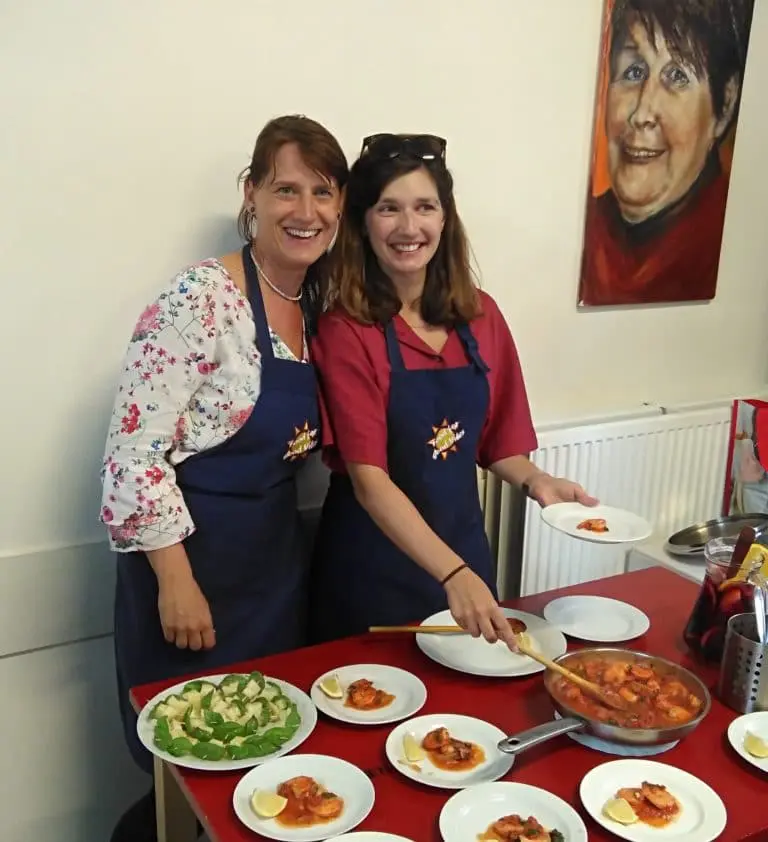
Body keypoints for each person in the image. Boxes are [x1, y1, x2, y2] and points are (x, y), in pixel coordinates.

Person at [99, 115, 348, 842]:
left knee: (264, 765)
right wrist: (176, 582)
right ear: (251, 194)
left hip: (271, 573)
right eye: (286, 189)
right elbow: (132, 455)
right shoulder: (199, 300)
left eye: (323, 193)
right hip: (191, 572)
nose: (305, 211)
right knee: (190, 764)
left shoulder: (320, 302)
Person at [308, 132, 596, 649]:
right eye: (389, 208)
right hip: (373, 569)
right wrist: (452, 573)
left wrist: (538, 481)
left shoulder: (481, 316)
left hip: (464, 554)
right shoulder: (347, 330)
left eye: (425, 207)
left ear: (446, 219)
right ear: (363, 223)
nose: (409, 227)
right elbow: (370, 482)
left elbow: (498, 443)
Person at [578, 0, 755, 306]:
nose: (642, 113)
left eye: (677, 77)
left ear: (725, 105)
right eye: (634, 71)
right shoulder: (590, 234)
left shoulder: (735, 250)